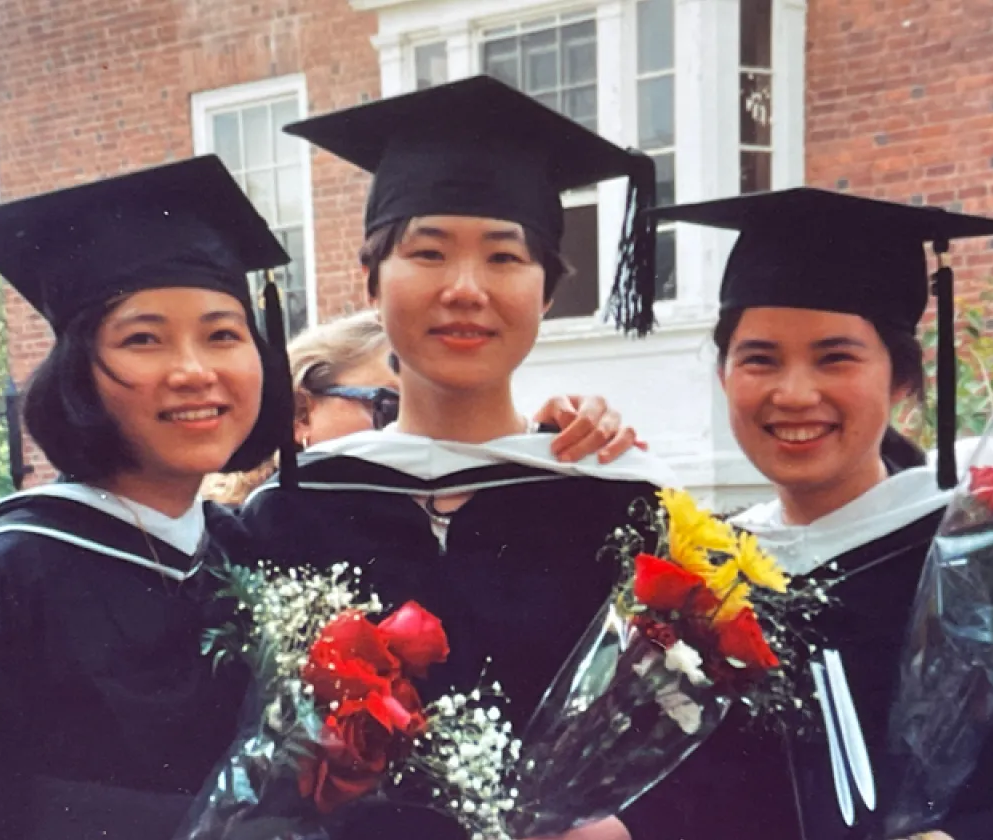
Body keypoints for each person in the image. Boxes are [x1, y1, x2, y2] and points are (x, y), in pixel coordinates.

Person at [235, 76, 675, 840]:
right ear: (371, 283)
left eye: (505, 258)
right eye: (428, 253)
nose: (466, 289)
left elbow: (686, 754)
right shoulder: (288, 513)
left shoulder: (614, 506)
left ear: (546, 292)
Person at [0, 156, 292, 840]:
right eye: (143, 338)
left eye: (223, 334)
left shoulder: (243, 555)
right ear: (76, 373)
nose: (193, 370)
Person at [623, 188, 993, 840]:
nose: (795, 393)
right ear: (724, 375)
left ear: (903, 378)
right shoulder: (699, 577)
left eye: (836, 357)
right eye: (760, 358)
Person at [202, 308, 648, 504]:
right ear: (301, 413)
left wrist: (545, 439)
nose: (420, 432)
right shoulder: (243, 537)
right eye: (388, 408)